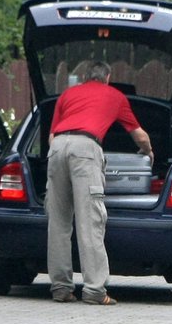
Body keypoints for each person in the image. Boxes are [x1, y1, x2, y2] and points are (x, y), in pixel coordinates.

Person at [45, 61, 153, 305]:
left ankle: (61, 288)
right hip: (86, 148)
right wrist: (148, 151)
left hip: (58, 147)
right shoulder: (115, 96)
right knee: (90, 220)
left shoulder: (68, 94)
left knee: (58, 222)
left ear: (84, 77)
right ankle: (94, 290)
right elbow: (140, 135)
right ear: (108, 77)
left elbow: (52, 136)